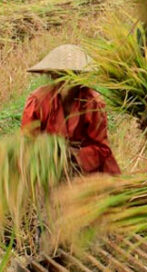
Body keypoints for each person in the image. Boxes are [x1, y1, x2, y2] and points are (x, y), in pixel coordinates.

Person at [22, 44, 120, 175]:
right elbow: (27, 142)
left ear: (81, 78)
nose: (66, 82)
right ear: (52, 76)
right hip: (48, 167)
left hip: (87, 170)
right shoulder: (38, 101)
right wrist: (50, 154)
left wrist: (72, 156)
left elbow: (101, 149)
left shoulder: (93, 103)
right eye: (60, 75)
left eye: (71, 76)